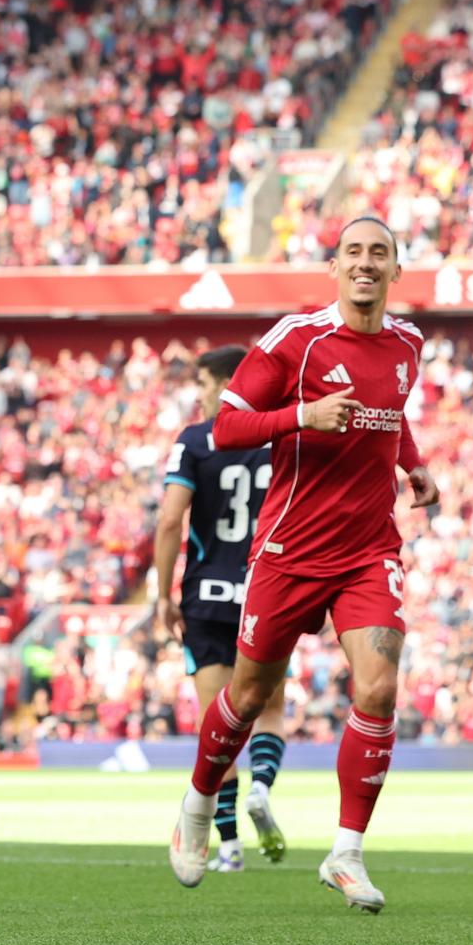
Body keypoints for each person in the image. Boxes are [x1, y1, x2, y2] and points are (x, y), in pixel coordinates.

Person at [168, 217, 440, 912]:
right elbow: (225, 428)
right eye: (354, 252)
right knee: (251, 696)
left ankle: (346, 851)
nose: (366, 263)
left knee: (378, 689)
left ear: (395, 270)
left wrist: (414, 467)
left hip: (368, 550)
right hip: (290, 550)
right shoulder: (296, 338)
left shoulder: (409, 343)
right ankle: (198, 803)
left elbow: (390, 411)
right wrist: (301, 417)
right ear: (335, 266)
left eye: (380, 253)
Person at [152, 346, 289, 873]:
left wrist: (163, 595)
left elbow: (170, 522)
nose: (202, 394)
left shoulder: (194, 440)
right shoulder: (280, 440)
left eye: (208, 383)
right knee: (269, 711)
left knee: (220, 724)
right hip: (268, 593)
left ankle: (228, 847)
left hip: (206, 597)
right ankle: (263, 789)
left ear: (233, 383)